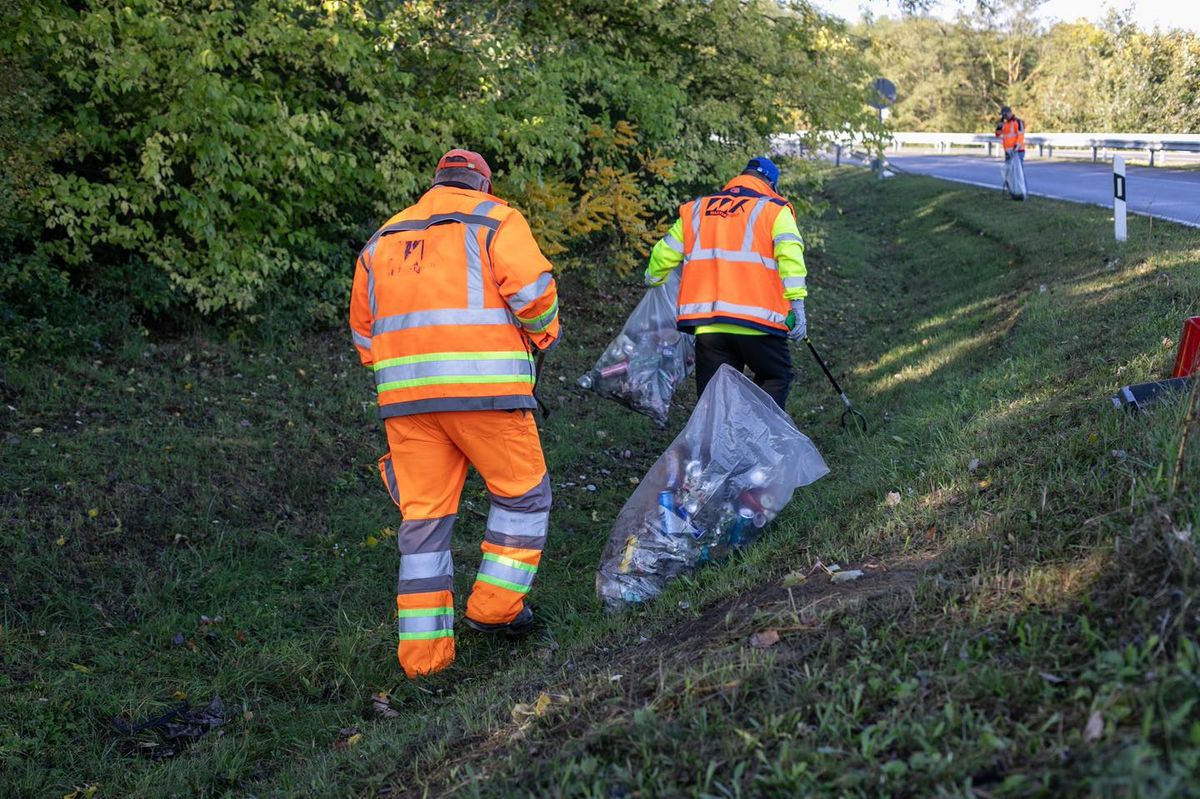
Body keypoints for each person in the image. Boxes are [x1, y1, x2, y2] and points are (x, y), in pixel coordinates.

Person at [349, 149, 560, 678]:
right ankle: (495, 608)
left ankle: (424, 662)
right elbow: (534, 296)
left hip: (406, 404)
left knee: (423, 521)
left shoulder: (384, 239)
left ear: (435, 183)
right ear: (483, 184)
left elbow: (363, 333)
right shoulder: (496, 220)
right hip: (486, 393)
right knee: (522, 495)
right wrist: (544, 336)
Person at [643, 156, 808, 410]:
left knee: (713, 397)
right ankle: (757, 436)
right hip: (759, 323)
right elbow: (791, 257)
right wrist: (797, 305)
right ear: (771, 185)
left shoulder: (698, 210)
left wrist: (654, 276)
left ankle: (717, 446)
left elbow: (665, 252)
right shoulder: (775, 209)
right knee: (775, 377)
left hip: (710, 326)